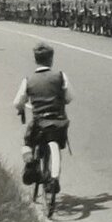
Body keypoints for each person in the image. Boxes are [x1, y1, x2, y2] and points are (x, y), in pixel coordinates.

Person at [12, 43, 72, 193]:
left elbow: (18, 102)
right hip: (58, 120)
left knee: (27, 141)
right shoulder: (60, 76)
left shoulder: (28, 80)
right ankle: (54, 178)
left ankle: (30, 164)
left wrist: (21, 108)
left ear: (35, 60)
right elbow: (69, 97)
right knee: (56, 142)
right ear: (51, 59)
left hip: (39, 121)